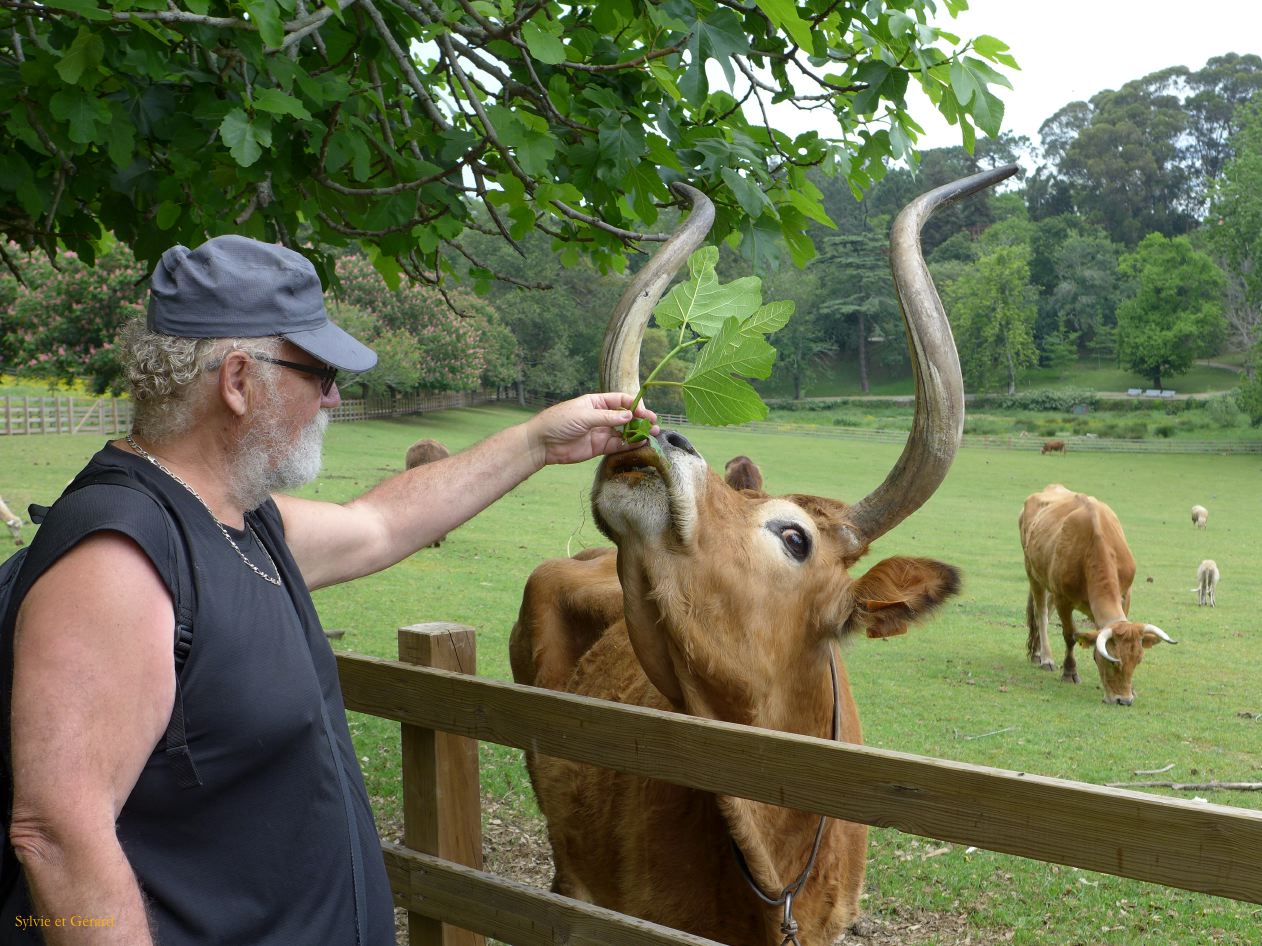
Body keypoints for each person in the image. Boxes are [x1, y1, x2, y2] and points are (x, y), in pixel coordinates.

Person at [1, 235, 657, 944]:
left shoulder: (237, 516)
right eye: (319, 374)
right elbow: (59, 837)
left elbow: (378, 524)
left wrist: (536, 442)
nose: (334, 397)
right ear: (237, 380)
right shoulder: (117, 559)